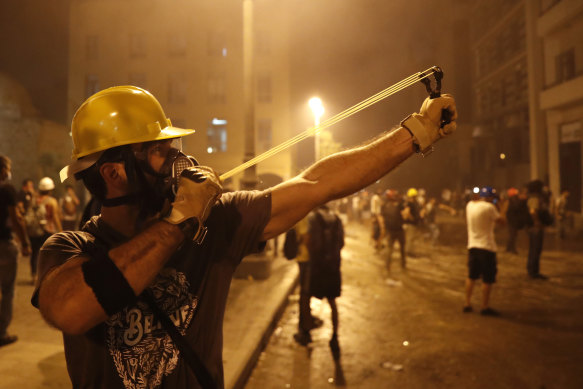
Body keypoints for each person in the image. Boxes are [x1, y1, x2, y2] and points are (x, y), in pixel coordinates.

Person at [32, 86, 457, 388]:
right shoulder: (70, 249)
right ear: (113, 172)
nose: (177, 161)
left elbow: (317, 184)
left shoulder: (213, 224)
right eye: (159, 151)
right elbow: (70, 310)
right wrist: (178, 222)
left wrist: (415, 134)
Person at [0, 156, 31, 347]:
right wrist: (25, 243)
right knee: (7, 290)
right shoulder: (7, 190)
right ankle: (1, 333)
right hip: (4, 244)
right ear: (3, 170)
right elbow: (16, 219)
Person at [307, 204, 344, 359]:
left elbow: (312, 243)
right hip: (333, 266)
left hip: (318, 265)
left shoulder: (314, 219)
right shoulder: (337, 219)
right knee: (333, 302)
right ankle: (335, 335)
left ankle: (306, 330)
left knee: (308, 296)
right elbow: (341, 242)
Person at [463, 187, 503, 316]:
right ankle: (484, 306)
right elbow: (502, 222)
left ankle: (467, 303)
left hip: (472, 246)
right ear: (490, 198)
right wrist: (502, 207)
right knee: (487, 279)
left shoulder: (469, 205)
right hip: (487, 248)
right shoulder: (490, 208)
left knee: (471, 276)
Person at [291, 216, 322, 346]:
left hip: (303, 258)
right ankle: (305, 330)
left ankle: (304, 324)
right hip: (305, 258)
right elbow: (306, 237)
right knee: (305, 293)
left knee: (305, 293)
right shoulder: (303, 216)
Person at [526, 179, 549, 279]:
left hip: (533, 227)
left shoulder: (534, 197)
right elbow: (532, 211)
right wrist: (537, 222)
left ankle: (532, 270)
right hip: (535, 228)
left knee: (534, 249)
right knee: (536, 249)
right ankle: (534, 272)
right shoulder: (535, 198)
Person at [382, 189, 406, 271]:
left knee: (390, 249)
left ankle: (387, 266)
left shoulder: (385, 206)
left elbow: (383, 217)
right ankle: (403, 265)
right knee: (402, 248)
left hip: (390, 230)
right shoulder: (399, 205)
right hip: (399, 230)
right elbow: (405, 215)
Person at [402, 187, 422, 257]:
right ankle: (408, 253)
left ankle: (407, 251)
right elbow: (406, 213)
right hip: (411, 224)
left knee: (408, 239)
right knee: (410, 239)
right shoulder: (410, 203)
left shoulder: (407, 202)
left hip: (407, 224)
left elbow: (403, 213)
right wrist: (412, 219)